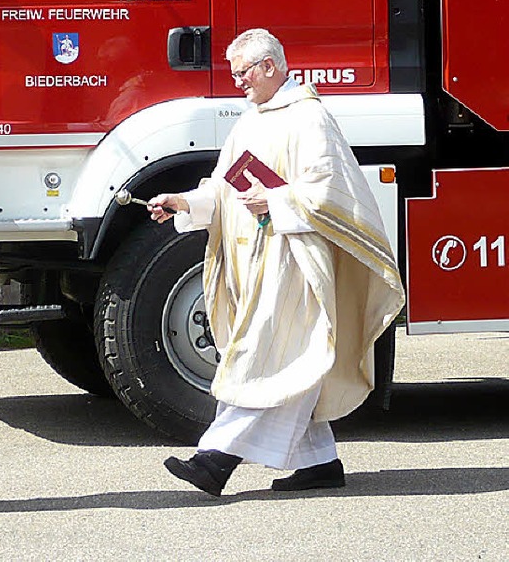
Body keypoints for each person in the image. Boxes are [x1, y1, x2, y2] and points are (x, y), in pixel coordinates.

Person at [149, 28, 405, 496]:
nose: (237, 82)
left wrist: (278, 202)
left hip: (294, 263)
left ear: (269, 66)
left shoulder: (309, 118)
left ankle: (214, 461)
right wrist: (184, 202)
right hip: (254, 263)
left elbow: (332, 194)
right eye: (233, 74)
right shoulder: (251, 120)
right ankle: (319, 462)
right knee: (291, 358)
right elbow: (223, 187)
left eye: (242, 72)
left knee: (264, 359)